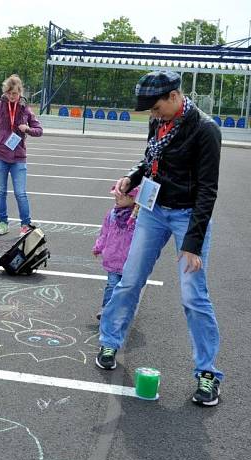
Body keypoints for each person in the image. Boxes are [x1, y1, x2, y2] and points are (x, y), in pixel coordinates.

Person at [96, 71, 223, 407]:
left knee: (194, 295)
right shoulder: (159, 124)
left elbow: (208, 190)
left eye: (155, 108)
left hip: (188, 217)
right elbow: (150, 160)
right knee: (128, 279)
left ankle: (207, 373)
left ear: (174, 96)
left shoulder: (205, 130)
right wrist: (132, 177)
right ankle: (110, 340)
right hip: (154, 211)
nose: (153, 116)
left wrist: (193, 243)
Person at [0, 75, 43, 236]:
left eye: (14, 94)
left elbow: (39, 130)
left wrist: (27, 129)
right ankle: (2, 223)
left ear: (20, 92)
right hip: (0, 155)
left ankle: (25, 225)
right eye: (9, 93)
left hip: (18, 157)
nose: (11, 97)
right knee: (0, 192)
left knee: (20, 192)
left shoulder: (25, 109)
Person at [92, 187, 138, 320]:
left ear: (132, 198)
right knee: (112, 285)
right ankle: (106, 309)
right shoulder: (112, 214)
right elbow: (104, 233)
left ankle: (124, 310)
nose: (116, 199)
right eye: (116, 196)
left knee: (127, 288)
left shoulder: (139, 218)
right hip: (113, 258)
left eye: (120, 197)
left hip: (130, 261)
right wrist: (98, 247)